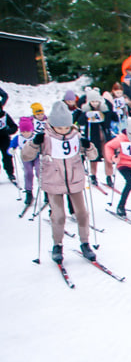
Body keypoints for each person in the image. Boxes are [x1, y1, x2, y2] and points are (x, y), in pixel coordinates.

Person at [21, 101, 99, 263]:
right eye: (60, 127)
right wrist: (34, 143)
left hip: (75, 180)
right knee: (58, 215)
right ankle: (58, 244)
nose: (63, 131)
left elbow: (93, 156)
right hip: (53, 181)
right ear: (53, 125)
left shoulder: (76, 136)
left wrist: (89, 146)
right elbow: (26, 156)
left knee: (82, 213)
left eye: (66, 127)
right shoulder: (46, 138)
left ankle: (85, 243)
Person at [77, 89, 115, 187]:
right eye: (93, 102)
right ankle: (93, 175)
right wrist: (85, 115)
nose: (95, 104)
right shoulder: (86, 110)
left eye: (96, 101)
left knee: (107, 156)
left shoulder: (104, 109)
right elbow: (80, 121)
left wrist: (108, 113)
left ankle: (109, 176)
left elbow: (111, 120)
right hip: (93, 136)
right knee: (94, 156)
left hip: (104, 136)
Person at [0, 97, 17, 184]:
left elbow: (14, 126)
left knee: (7, 157)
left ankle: (10, 173)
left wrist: (9, 131)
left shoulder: (5, 115)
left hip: (4, 139)